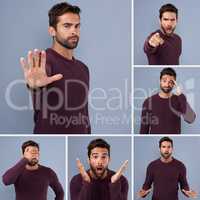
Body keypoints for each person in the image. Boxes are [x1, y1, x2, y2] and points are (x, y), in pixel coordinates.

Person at [20, 2, 90, 134]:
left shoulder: (83, 68)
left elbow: (84, 112)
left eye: (77, 26)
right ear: (52, 31)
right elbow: (37, 84)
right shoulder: (43, 62)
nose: (74, 31)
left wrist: (88, 134)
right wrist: (34, 86)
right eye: (66, 26)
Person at [140, 67, 196, 134]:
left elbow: (191, 119)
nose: (167, 84)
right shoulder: (148, 102)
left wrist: (180, 95)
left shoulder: (179, 100)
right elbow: (144, 130)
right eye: (164, 81)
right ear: (160, 81)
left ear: (174, 84)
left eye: (171, 82)